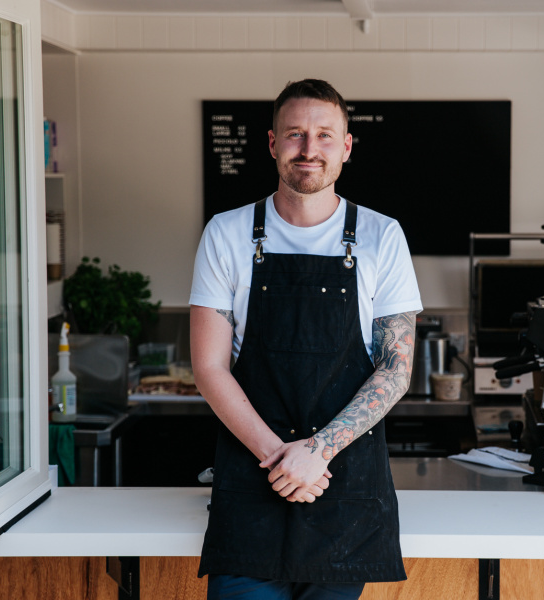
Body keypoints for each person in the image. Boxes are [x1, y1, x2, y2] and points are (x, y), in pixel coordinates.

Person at [190, 78, 423, 600]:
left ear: (345, 147)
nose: (309, 149)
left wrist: (317, 452)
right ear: (273, 144)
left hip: (342, 489)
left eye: (324, 135)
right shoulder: (226, 233)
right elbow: (208, 366)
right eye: (295, 134)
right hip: (252, 485)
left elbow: (395, 367)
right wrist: (281, 458)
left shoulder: (382, 236)